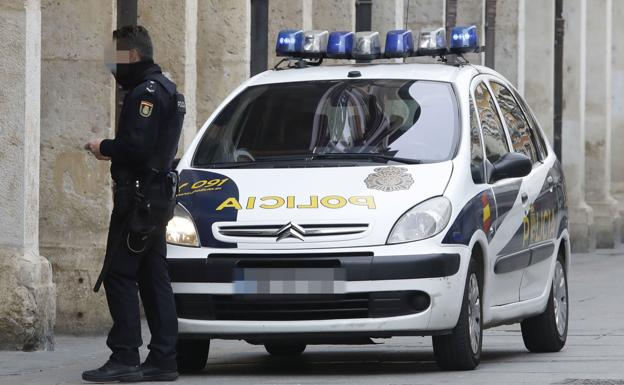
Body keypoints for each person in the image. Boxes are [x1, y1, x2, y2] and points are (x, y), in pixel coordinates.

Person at [82, 25, 185, 383]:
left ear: (133, 55)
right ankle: (164, 358)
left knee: (120, 274)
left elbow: (137, 148)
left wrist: (104, 147)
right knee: (154, 275)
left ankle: (125, 354)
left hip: (139, 199)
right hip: (154, 198)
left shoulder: (148, 93)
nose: (112, 66)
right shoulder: (167, 88)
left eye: (116, 57)